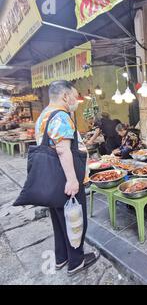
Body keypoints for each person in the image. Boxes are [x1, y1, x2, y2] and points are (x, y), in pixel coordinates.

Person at [35, 80, 99, 276]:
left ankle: (62, 257)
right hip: (65, 180)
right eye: (75, 96)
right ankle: (76, 262)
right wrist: (72, 180)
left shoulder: (43, 115)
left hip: (51, 180)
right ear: (65, 96)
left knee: (59, 220)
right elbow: (63, 150)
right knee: (75, 220)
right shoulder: (61, 116)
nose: (76, 100)